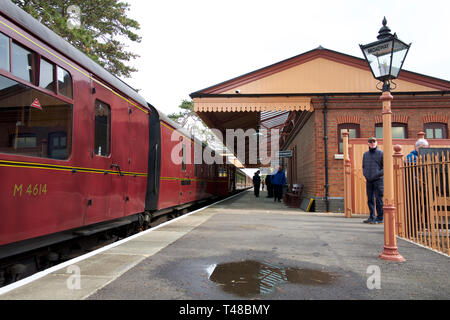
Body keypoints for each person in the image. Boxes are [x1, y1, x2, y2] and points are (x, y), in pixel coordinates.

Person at [362, 137, 384, 224]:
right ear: (368, 143)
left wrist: (376, 175)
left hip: (378, 180)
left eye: (373, 142)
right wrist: (366, 174)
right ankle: (372, 216)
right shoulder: (365, 154)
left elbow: (384, 168)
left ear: (376, 143)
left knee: (379, 199)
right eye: (370, 142)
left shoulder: (381, 153)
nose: (372, 143)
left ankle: (380, 218)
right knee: (370, 199)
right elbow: (363, 167)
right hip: (369, 180)